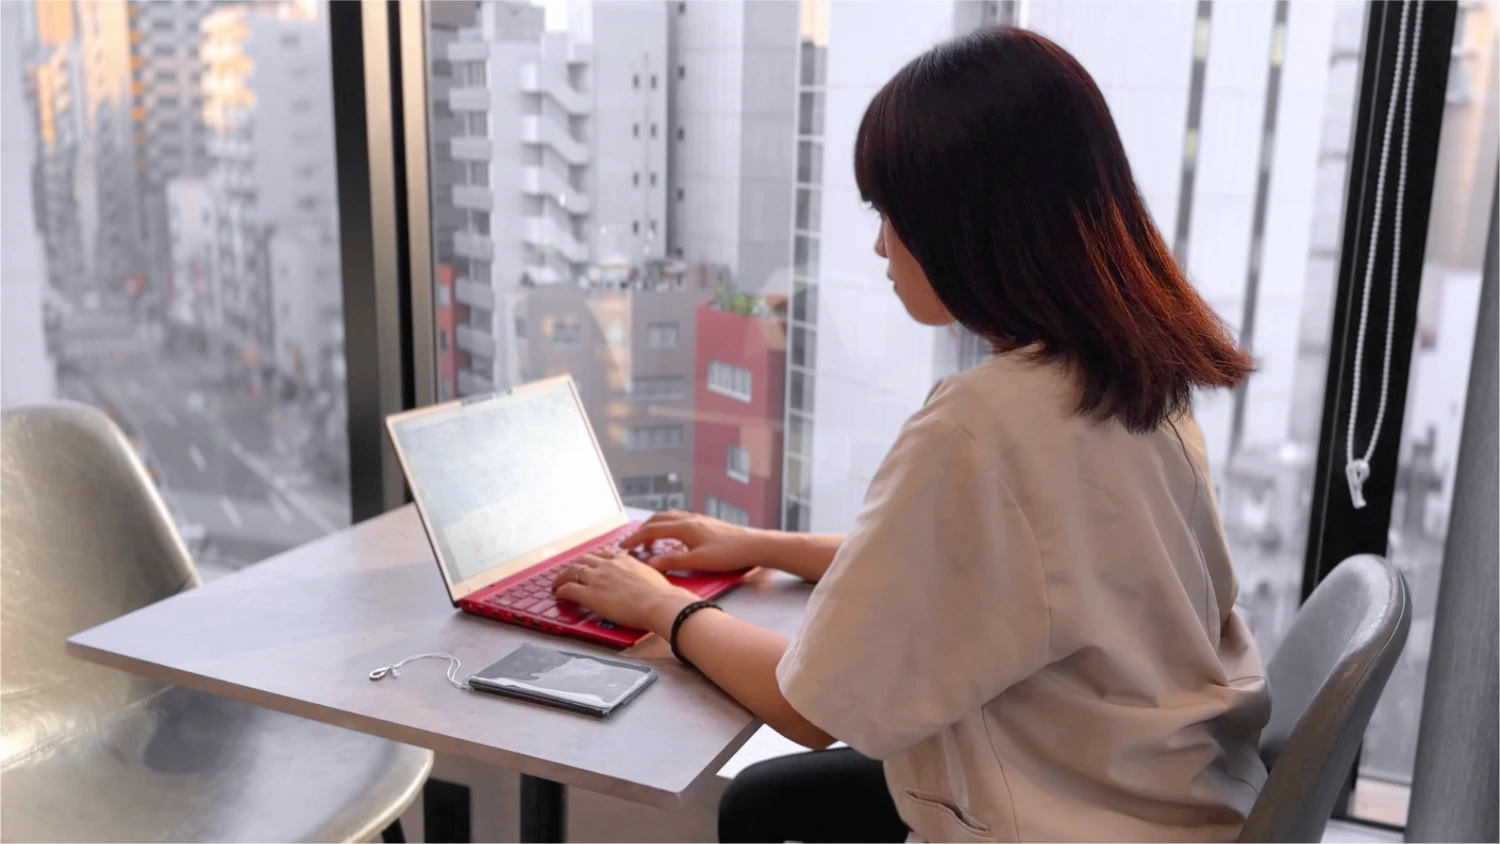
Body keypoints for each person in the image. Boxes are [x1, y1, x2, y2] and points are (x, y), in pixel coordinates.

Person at [551, 25, 1269, 844]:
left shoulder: (982, 426)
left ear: (972, 222)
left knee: (766, 797)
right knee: (765, 804)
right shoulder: (1132, 375)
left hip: (1064, 813)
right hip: (1155, 790)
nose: (882, 245)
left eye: (894, 213)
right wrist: (755, 543)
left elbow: (807, 704)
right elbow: (978, 567)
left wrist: (659, 605)